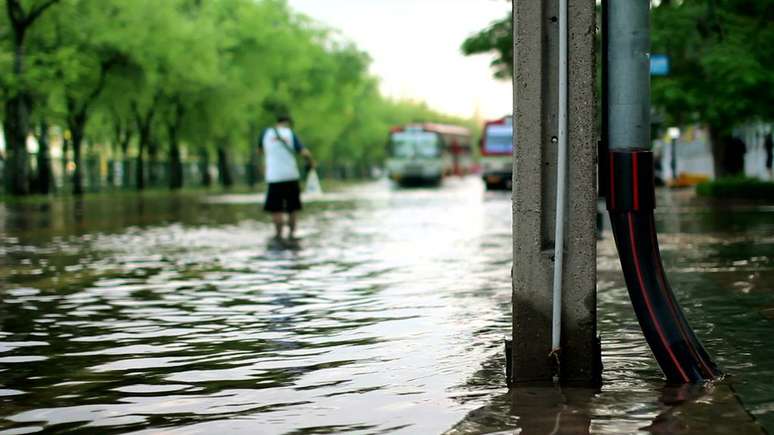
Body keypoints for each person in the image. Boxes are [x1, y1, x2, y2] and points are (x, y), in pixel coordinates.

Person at [258, 114, 314, 241]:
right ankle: (292, 234)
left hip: (273, 177)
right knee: (293, 208)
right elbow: (304, 152)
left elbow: (260, 152)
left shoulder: (265, 133)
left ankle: (278, 235)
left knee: (276, 208)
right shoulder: (290, 134)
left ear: (277, 122)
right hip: (291, 175)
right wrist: (311, 162)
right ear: (289, 123)